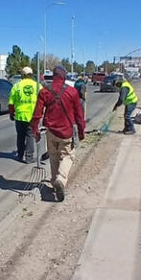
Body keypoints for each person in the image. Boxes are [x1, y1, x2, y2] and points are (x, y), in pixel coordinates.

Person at [30, 65, 85, 201]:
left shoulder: (44, 91)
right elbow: (79, 115)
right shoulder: (72, 92)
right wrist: (81, 131)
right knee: (67, 155)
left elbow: (36, 114)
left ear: (54, 76)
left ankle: (55, 182)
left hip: (51, 132)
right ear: (64, 76)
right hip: (66, 132)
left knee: (53, 156)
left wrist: (35, 131)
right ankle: (60, 179)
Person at [8, 66, 40, 163]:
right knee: (30, 136)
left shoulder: (17, 86)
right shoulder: (37, 86)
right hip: (32, 116)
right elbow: (44, 99)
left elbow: (11, 103)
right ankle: (29, 157)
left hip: (19, 116)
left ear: (22, 75)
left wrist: (11, 114)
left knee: (20, 136)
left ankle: (20, 155)